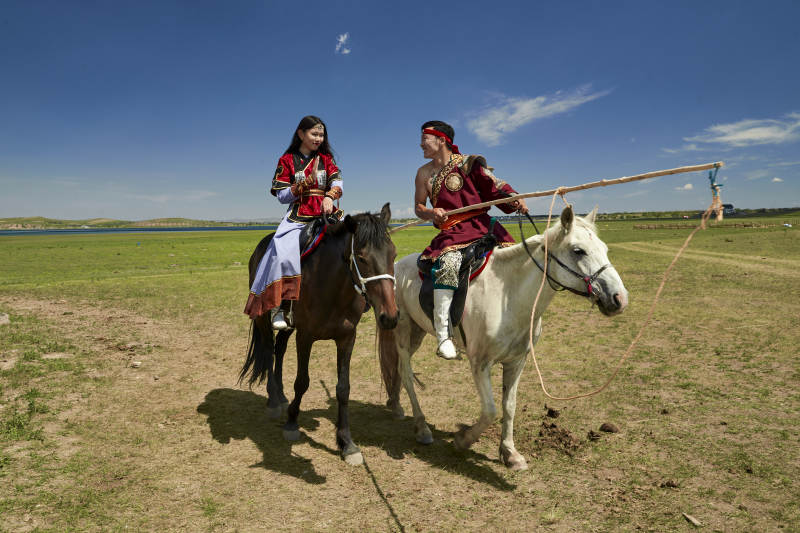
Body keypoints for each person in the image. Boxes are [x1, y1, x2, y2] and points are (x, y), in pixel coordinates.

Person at [414, 120, 528, 359]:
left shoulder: (468, 164)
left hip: (482, 226)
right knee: (448, 265)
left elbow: (494, 186)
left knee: (515, 259)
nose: (421, 144)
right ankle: (444, 333)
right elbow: (418, 207)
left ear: (441, 140)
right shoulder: (423, 173)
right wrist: (431, 213)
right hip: (452, 232)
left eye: (425, 139)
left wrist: (514, 198)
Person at [245, 115, 343, 327]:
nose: (318, 138)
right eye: (314, 134)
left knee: (353, 243)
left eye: (321, 134)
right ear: (301, 134)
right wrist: (303, 184)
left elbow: (337, 182)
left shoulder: (327, 159)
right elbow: (281, 196)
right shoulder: (287, 160)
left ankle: (358, 296)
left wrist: (329, 196)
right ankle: (281, 308)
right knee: (281, 252)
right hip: (299, 215)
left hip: (327, 212)